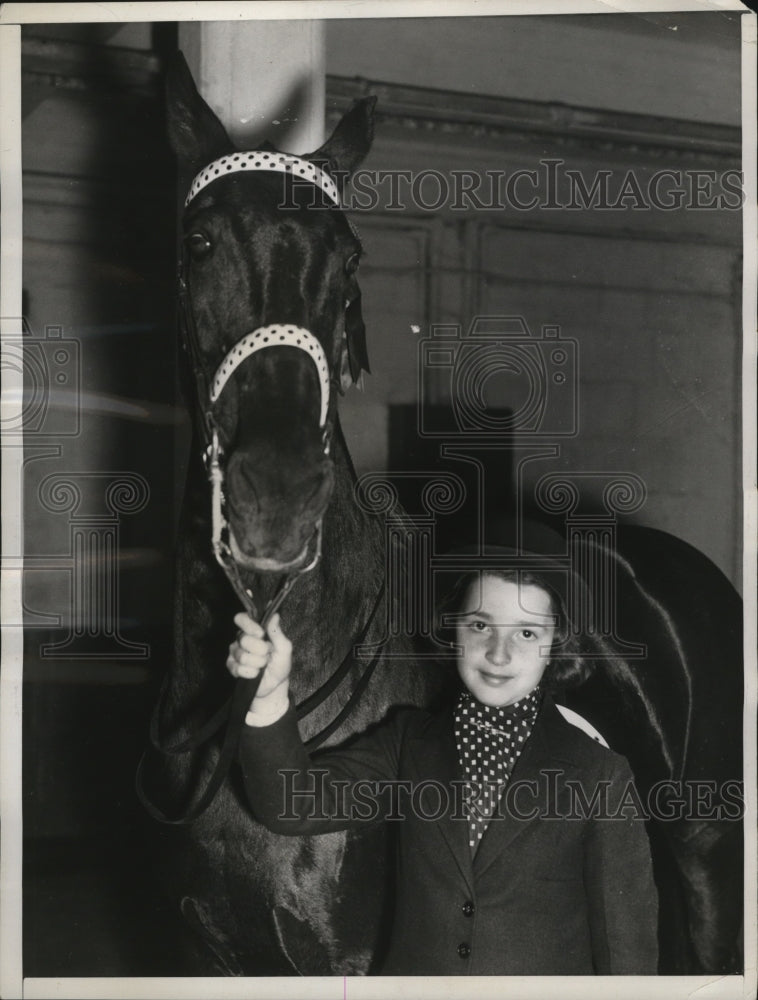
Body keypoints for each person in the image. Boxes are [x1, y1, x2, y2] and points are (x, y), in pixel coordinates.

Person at [229, 543, 659, 976]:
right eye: (480, 625)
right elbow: (290, 804)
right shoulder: (409, 744)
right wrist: (267, 697)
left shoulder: (599, 773)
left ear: (556, 646)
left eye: (526, 633)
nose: (499, 652)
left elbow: (628, 951)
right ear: (453, 630)